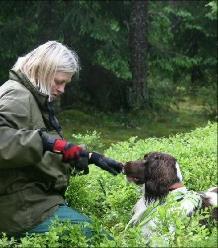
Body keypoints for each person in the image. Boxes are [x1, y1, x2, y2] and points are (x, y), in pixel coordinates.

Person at [0, 41, 123, 237]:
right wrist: (49, 142)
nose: (62, 89)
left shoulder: (34, 97)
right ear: (41, 71)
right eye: (58, 82)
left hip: (33, 201)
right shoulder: (16, 96)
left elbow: (40, 149)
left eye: (65, 83)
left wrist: (87, 155)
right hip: (21, 209)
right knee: (100, 238)